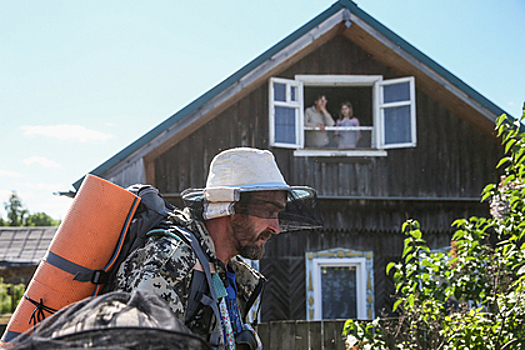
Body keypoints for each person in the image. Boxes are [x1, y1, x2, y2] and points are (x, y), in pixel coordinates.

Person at [112, 147, 321, 350]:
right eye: (268, 211)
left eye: (277, 215)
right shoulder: (172, 259)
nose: (275, 228)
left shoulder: (233, 275)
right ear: (230, 207)